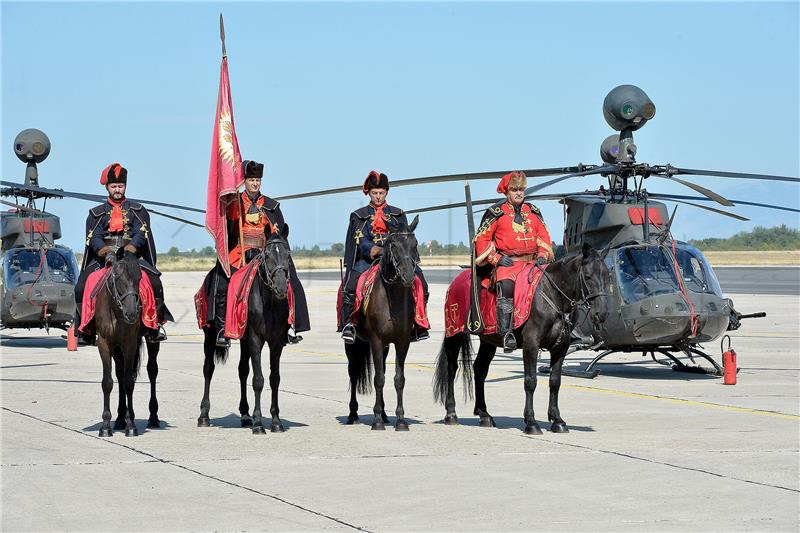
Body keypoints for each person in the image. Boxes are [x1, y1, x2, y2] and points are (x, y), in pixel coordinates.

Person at [203, 160, 310, 348]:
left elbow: (279, 234)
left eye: (257, 180)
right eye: (251, 180)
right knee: (222, 283)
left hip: (266, 254)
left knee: (291, 281)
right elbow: (226, 232)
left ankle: (288, 326)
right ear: (244, 181)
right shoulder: (234, 203)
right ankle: (222, 328)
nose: (255, 183)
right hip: (240, 253)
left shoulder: (271, 206)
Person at [74, 162, 172, 344]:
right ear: (107, 187)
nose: (117, 189)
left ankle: (154, 326)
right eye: (114, 186)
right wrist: (104, 251)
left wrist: (131, 248)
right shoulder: (96, 214)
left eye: (120, 186)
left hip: (132, 257)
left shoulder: (138, 210)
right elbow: (93, 236)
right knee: (80, 287)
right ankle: (85, 329)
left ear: (125, 186)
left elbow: (141, 232)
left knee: (155, 282)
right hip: (104, 259)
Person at [339, 170, 429, 344]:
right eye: (374, 193)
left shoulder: (398, 213)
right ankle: (350, 324)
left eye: (381, 193)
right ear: (368, 193)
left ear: (386, 192)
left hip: (397, 260)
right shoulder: (359, 216)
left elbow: (405, 236)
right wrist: (379, 250)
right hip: (367, 260)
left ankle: (419, 322)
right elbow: (360, 240)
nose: (378, 197)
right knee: (350, 287)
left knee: (421, 283)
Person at [473, 171, 554, 351]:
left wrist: (542, 254)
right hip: (508, 265)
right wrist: (497, 259)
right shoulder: (496, 213)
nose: (519, 193)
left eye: (521, 189)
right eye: (514, 189)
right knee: (507, 286)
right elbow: (482, 240)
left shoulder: (533, 212)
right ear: (506, 192)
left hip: (535, 263)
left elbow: (544, 237)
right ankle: (507, 332)